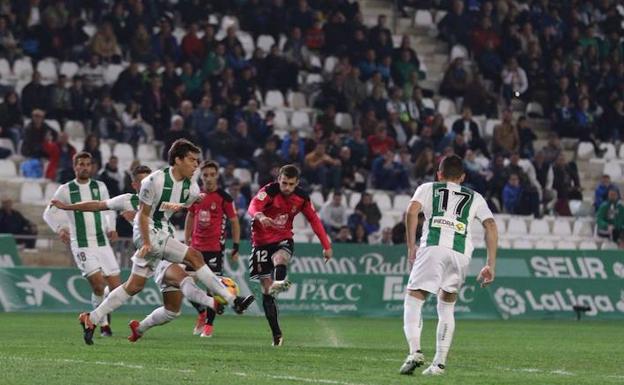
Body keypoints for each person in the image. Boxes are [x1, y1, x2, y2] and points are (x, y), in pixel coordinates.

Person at [74, 139, 254, 345]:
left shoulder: (188, 188)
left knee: (153, 299)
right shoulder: (143, 190)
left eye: (198, 161)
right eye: (192, 160)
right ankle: (229, 300)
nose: (196, 165)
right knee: (191, 264)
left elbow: (181, 206)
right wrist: (147, 241)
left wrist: (190, 202)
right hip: (151, 240)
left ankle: (96, 318)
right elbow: (105, 206)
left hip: (162, 239)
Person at [50, 165, 224, 342]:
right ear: (135, 185)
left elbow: (182, 204)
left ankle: (102, 320)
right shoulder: (128, 200)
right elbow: (98, 205)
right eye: (143, 181)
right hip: (156, 251)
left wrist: (194, 199)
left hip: (159, 249)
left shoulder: (164, 199)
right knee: (182, 278)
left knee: (167, 307)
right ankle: (214, 302)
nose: (148, 184)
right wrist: (68, 206)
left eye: (150, 180)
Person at [400, 155, 498, 376]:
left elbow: (411, 211)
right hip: (461, 253)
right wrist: (490, 264)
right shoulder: (476, 197)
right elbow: (490, 225)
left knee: (414, 298)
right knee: (446, 306)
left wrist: (411, 246)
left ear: (439, 174)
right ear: (462, 177)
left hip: (434, 246)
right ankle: (439, 364)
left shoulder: (428, 188)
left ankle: (415, 351)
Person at [247, 164, 333, 346]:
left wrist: (326, 245)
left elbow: (314, 220)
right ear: (279, 179)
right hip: (261, 242)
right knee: (266, 292)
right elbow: (253, 205)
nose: (286, 187)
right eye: (284, 183)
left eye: (290, 184)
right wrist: (260, 216)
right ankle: (276, 334)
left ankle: (280, 281)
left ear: (297, 183)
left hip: (283, 238)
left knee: (280, 258)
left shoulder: (301, 197)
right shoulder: (269, 191)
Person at [43, 152, 121, 337]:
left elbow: (108, 209)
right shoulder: (65, 189)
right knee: (98, 285)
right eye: (81, 164)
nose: (85, 167)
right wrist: (60, 229)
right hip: (82, 244)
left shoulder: (99, 186)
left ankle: (97, 314)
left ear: (92, 167)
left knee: (117, 289)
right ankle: (103, 325)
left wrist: (111, 227)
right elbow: (48, 213)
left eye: (88, 164)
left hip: (102, 242)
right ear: (75, 167)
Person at [185, 160, 241, 338]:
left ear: (217, 176)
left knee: (212, 287)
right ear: (201, 177)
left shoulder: (224, 198)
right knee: (185, 284)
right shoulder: (196, 196)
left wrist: (236, 246)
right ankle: (201, 312)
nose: (208, 178)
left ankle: (209, 325)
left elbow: (234, 222)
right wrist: (187, 238)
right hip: (195, 248)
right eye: (205, 175)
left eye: (212, 175)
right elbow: (190, 215)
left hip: (214, 248)